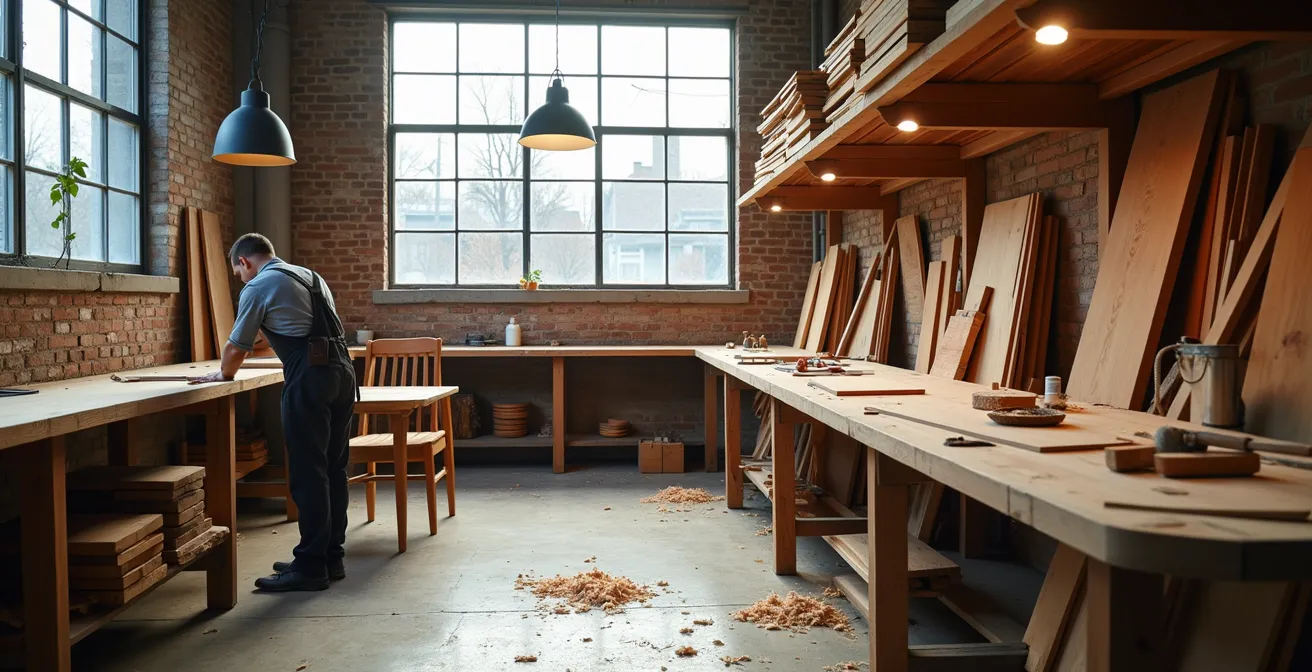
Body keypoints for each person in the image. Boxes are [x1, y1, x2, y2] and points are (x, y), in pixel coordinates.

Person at [188, 233, 356, 592]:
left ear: (245, 262)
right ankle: (329, 556)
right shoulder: (309, 276)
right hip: (343, 373)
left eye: (238, 273)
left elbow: (237, 346)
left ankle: (310, 567)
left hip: (310, 378)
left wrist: (223, 374)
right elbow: (299, 326)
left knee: (308, 472)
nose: (241, 280)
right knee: (333, 467)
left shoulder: (258, 285)